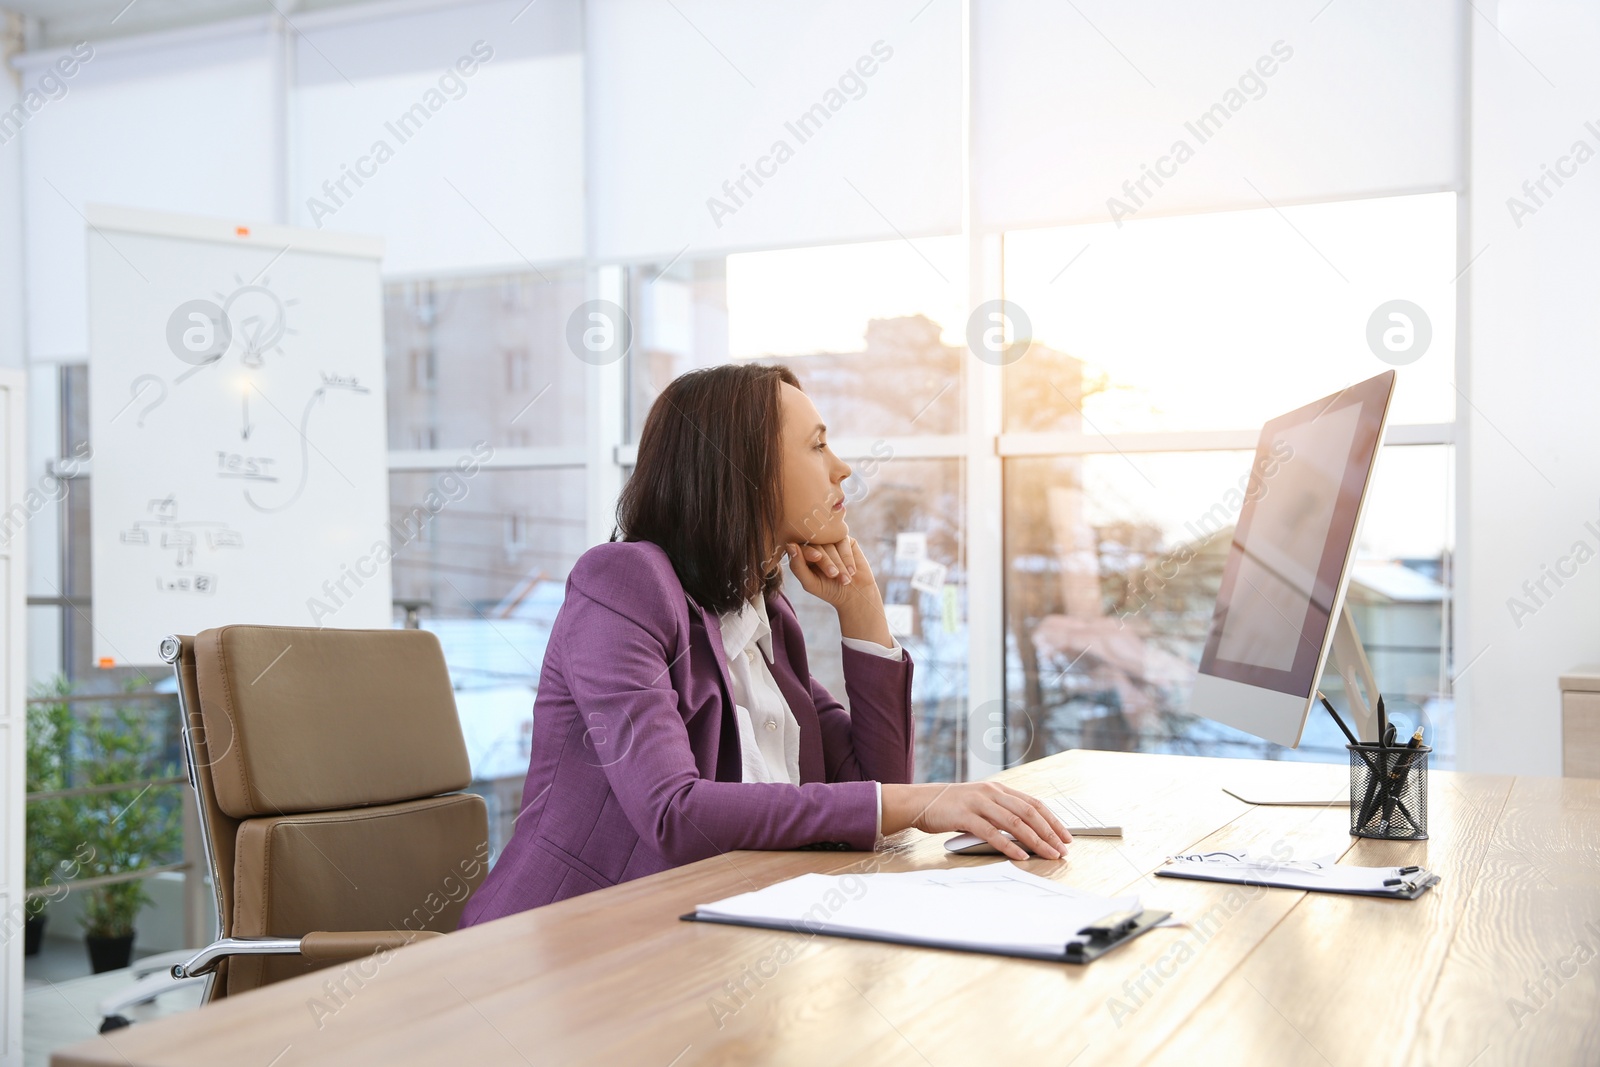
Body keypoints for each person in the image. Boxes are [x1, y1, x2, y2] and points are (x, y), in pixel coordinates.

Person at [460, 363, 1071, 923]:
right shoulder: (623, 586)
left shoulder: (766, 617)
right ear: (742, 470)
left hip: (711, 939)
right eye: (817, 445)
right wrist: (921, 802)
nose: (843, 467)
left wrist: (862, 610)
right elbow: (672, 812)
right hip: (565, 948)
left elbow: (875, 783)